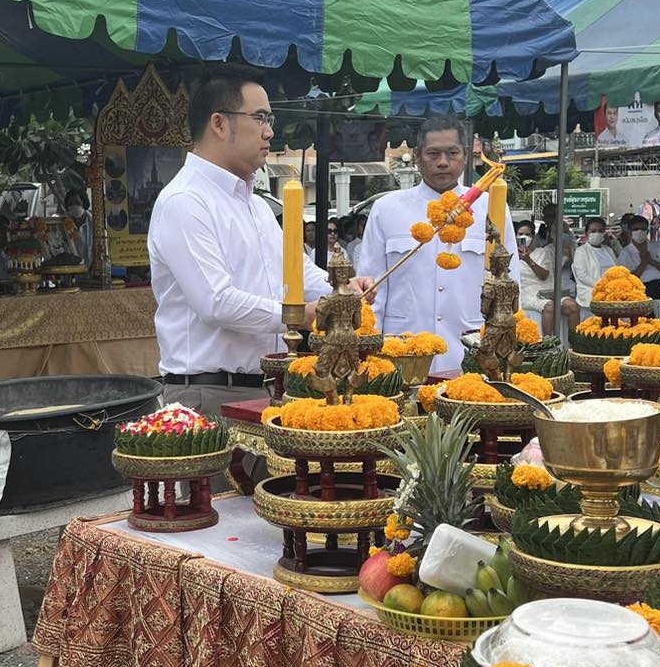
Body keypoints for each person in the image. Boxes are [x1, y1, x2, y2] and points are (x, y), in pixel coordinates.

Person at [148, 65, 365, 420]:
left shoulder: (257, 205)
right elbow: (216, 302)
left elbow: (296, 272)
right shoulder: (185, 201)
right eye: (260, 118)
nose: (269, 132)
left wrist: (342, 290)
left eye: (270, 119)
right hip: (211, 391)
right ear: (219, 124)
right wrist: (302, 315)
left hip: (269, 385)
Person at [359, 114, 517, 373]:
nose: (443, 162)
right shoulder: (386, 209)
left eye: (452, 153)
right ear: (417, 157)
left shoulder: (491, 207)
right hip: (403, 352)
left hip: (472, 352)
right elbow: (371, 290)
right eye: (433, 154)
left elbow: (511, 285)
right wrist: (369, 354)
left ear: (465, 156)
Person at [516, 217, 576, 338]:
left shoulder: (543, 252)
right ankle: (549, 344)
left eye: (527, 234)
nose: (524, 237)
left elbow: (544, 276)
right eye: (520, 234)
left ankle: (575, 343)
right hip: (528, 293)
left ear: (533, 236)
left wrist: (528, 259)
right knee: (549, 306)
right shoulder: (512, 254)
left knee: (572, 306)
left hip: (548, 290)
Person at [617, 215, 660, 302]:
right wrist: (643, 263)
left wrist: (652, 261)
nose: (640, 232)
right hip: (641, 288)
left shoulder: (658, 247)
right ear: (630, 232)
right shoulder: (626, 252)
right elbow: (627, 279)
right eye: (636, 229)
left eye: (643, 229)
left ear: (647, 231)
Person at [572, 216, 618, 318]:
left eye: (600, 231)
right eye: (593, 231)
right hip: (591, 293)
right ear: (586, 233)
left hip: (612, 293)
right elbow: (582, 276)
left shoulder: (608, 250)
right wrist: (602, 286)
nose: (597, 233)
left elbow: (616, 270)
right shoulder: (581, 251)